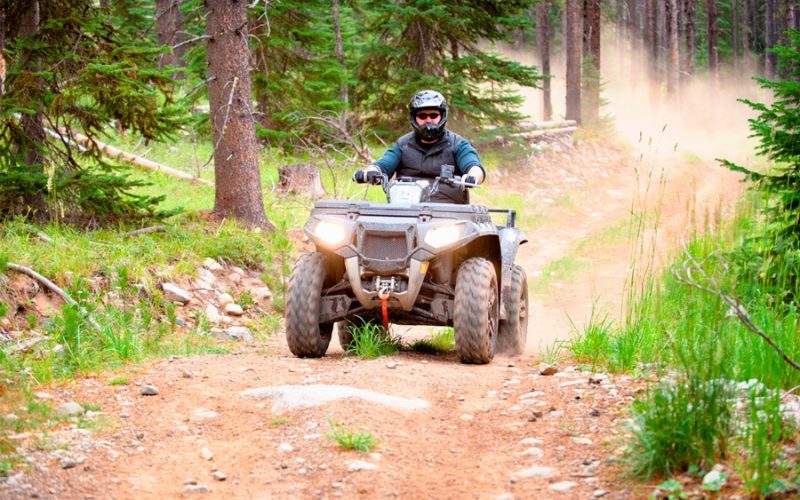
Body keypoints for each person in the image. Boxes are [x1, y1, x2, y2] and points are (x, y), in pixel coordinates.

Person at [352, 90, 485, 204]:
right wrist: (370, 172)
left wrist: (472, 176)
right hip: (405, 211)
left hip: (448, 214)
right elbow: (383, 165)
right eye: (422, 116)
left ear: (442, 116)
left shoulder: (458, 144)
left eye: (433, 115)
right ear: (414, 118)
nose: (428, 120)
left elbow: (474, 166)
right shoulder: (403, 145)